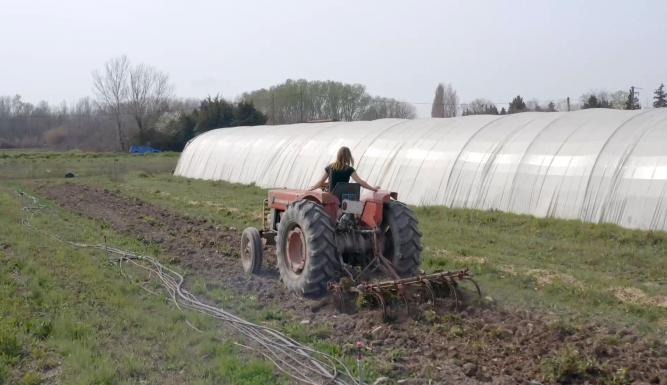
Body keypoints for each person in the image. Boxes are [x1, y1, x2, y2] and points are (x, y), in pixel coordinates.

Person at [309, 146, 380, 192]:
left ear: (338, 155)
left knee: (324, 189)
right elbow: (360, 182)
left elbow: (321, 182)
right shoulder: (349, 169)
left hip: (331, 197)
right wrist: (373, 189)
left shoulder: (330, 167)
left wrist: (311, 189)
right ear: (348, 157)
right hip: (344, 196)